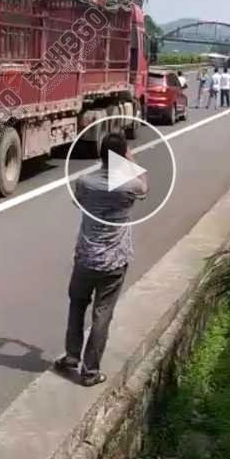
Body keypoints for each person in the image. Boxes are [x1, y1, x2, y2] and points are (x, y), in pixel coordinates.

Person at [55, 132, 148, 386]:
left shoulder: (85, 182)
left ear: (100, 154)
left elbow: (78, 204)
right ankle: (90, 372)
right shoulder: (131, 186)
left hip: (86, 256)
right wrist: (129, 163)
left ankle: (71, 357)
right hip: (115, 261)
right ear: (123, 156)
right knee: (102, 314)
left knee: (77, 305)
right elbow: (145, 186)